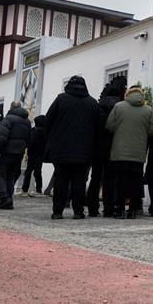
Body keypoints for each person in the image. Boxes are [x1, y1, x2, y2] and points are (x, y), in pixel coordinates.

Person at [43, 75, 103, 220]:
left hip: (61, 149)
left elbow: (48, 120)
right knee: (80, 182)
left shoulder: (61, 99)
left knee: (61, 181)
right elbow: (99, 127)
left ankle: (57, 212)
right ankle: (78, 211)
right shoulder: (92, 103)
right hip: (84, 151)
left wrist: (53, 139)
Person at [105, 85, 153, 218]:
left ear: (127, 94)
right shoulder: (148, 110)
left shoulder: (118, 107)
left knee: (120, 181)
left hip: (119, 152)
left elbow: (109, 126)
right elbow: (152, 130)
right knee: (135, 181)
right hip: (138, 153)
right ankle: (133, 210)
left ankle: (120, 209)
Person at [88, 76, 125, 217]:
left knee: (95, 178)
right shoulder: (120, 108)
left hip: (97, 147)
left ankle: (92, 208)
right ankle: (109, 208)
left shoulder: (98, 107)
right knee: (110, 179)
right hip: (114, 147)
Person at [0, 101, 32, 210]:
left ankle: (4, 197)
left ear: (11, 107)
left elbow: (2, 137)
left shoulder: (8, 119)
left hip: (7, 152)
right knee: (11, 175)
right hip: (19, 153)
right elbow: (29, 139)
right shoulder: (27, 122)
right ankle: (9, 200)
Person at [21, 115, 47, 196]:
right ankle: (38, 190)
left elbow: (31, 142)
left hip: (33, 153)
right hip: (41, 154)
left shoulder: (36, 131)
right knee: (38, 172)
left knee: (28, 172)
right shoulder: (45, 131)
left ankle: (25, 190)